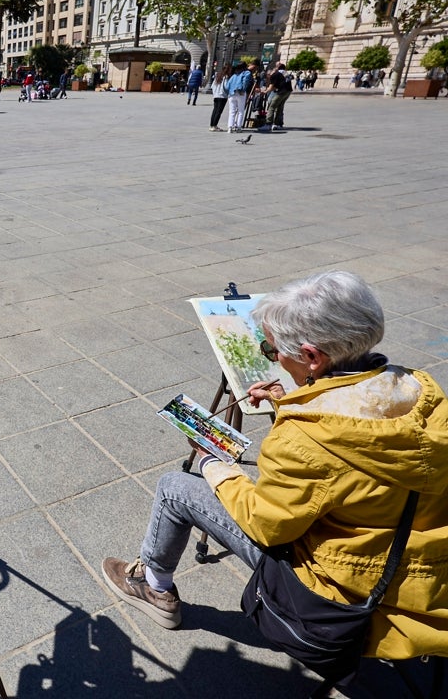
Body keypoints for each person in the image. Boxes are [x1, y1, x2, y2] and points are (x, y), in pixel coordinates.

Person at [101, 271, 448, 669]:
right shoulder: (424, 391)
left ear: (313, 356)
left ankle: (153, 586)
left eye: (272, 350)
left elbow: (266, 524)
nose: (272, 357)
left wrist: (213, 463)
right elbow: (355, 439)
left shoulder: (303, 440)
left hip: (344, 591)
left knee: (175, 487)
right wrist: (292, 403)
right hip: (430, 577)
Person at [261, 61, 293, 133]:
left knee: (271, 107)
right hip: (288, 91)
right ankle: (277, 124)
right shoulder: (285, 73)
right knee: (280, 107)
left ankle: (268, 124)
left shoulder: (276, 74)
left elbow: (272, 86)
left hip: (281, 92)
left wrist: (265, 91)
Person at [225, 61, 253, 133]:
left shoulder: (234, 75)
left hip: (231, 94)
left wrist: (230, 91)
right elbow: (245, 82)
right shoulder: (246, 73)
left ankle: (230, 127)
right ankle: (238, 127)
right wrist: (243, 89)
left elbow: (227, 86)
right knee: (240, 111)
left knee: (232, 111)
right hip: (240, 93)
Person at [208, 65, 230, 132]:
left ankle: (211, 125)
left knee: (215, 111)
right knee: (219, 112)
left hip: (216, 96)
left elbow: (212, 86)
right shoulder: (226, 77)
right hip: (222, 96)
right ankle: (214, 126)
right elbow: (226, 87)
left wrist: (215, 93)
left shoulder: (218, 76)